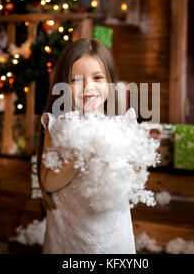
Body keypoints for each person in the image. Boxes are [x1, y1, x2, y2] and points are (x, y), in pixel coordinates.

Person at [36, 38, 137, 254]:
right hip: (69, 232)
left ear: (110, 82)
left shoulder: (121, 124)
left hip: (113, 232)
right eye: (76, 80)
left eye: (98, 77)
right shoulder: (58, 126)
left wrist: (131, 167)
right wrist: (79, 159)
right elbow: (48, 183)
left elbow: (133, 177)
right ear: (62, 85)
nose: (88, 87)